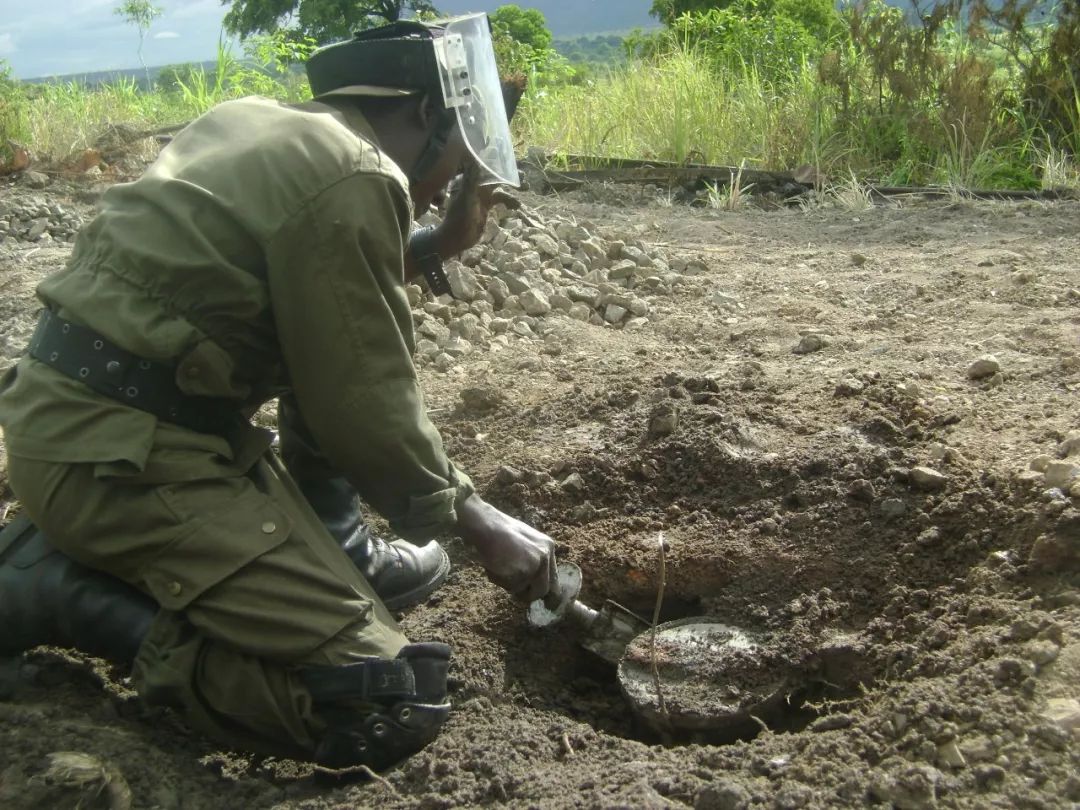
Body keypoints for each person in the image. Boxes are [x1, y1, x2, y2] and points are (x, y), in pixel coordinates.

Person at [0, 14, 557, 770]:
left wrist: (442, 245)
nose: (450, 186)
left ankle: (336, 552)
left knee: (351, 618)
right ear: (427, 113)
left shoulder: (260, 123)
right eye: (461, 160)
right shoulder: (358, 173)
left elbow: (319, 299)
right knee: (382, 700)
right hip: (122, 463)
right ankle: (65, 593)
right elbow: (362, 402)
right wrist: (478, 522)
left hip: (81, 427)